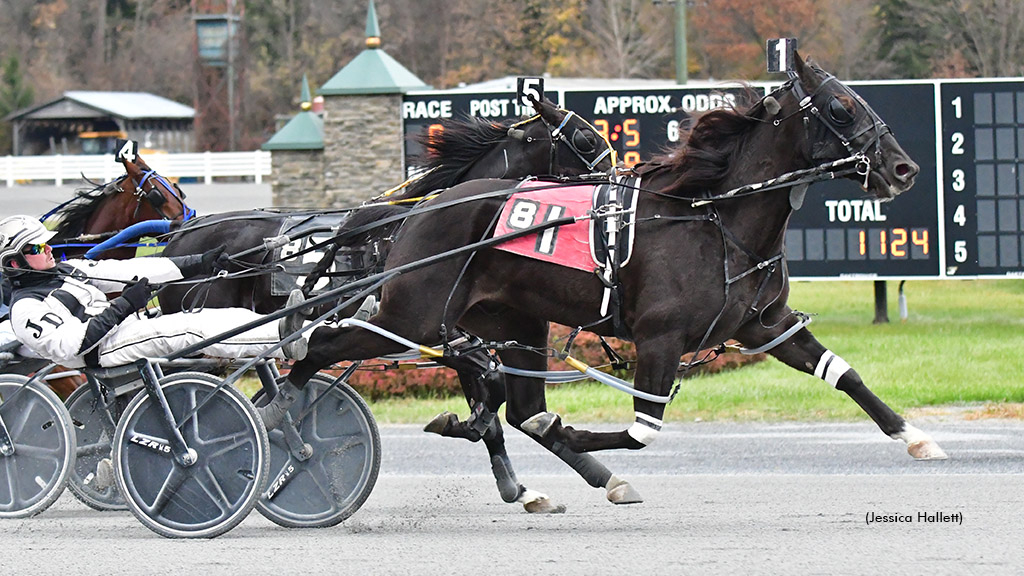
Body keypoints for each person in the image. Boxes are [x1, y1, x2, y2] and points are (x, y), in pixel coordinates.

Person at [0, 215, 308, 370]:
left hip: (123, 329)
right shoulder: (25, 309)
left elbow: (130, 272)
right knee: (190, 328)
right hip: (102, 350)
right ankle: (284, 339)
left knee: (221, 315)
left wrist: (200, 262)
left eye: (47, 242)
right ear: (14, 262)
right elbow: (71, 346)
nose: (49, 249)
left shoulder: (70, 270)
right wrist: (124, 305)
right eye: (37, 248)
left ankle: (296, 330)